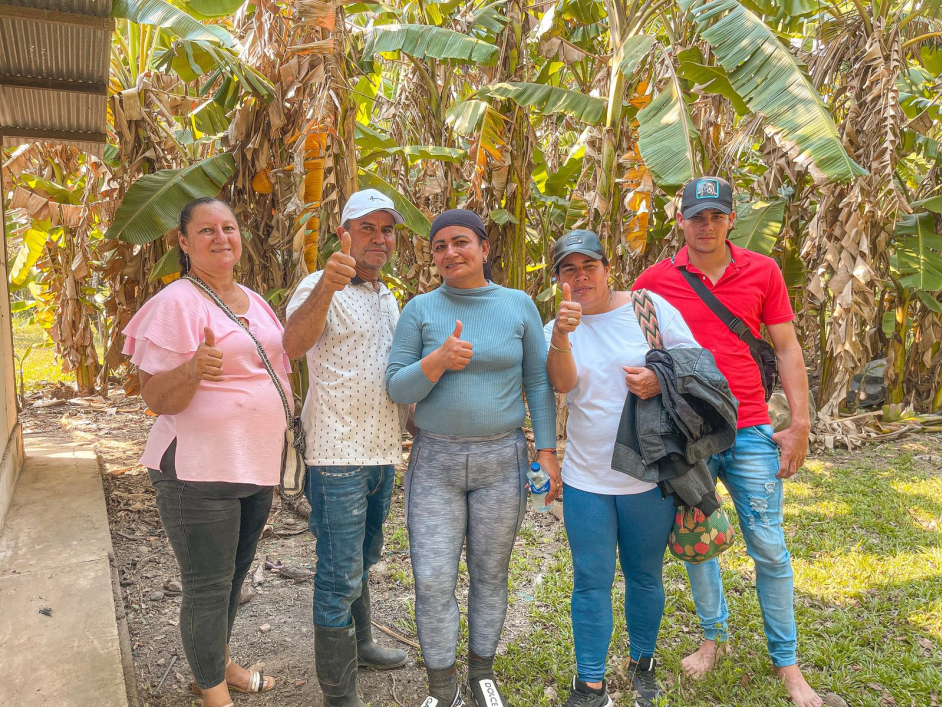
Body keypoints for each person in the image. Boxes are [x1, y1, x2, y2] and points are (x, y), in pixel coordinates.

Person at [632, 176, 820, 707]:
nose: (706, 225)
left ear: (731, 219)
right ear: (681, 221)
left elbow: (786, 348)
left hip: (752, 429)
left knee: (769, 546)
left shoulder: (763, 271)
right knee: (698, 540)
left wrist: (800, 424)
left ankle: (788, 664)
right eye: (697, 216)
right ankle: (714, 637)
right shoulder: (655, 279)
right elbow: (626, 333)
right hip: (691, 435)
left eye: (716, 216)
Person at [385, 209, 560, 707]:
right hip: (435, 462)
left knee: (490, 573)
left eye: (460, 242)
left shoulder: (518, 305)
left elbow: (537, 382)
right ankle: (442, 688)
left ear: (485, 248)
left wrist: (545, 451)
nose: (449, 253)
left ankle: (482, 673)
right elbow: (397, 386)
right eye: (439, 246)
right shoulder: (420, 309)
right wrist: (437, 361)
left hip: (501, 461)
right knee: (434, 577)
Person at [123, 198, 290, 707]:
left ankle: (213, 666)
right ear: (182, 241)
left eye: (229, 228)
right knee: (207, 584)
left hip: (253, 463)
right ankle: (212, 692)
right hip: (197, 469)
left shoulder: (254, 300)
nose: (221, 238)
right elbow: (155, 397)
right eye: (206, 230)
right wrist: (194, 368)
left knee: (234, 577)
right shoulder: (177, 301)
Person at [544, 230, 700, 707]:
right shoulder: (562, 323)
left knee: (644, 575)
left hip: (648, 473)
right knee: (590, 579)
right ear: (559, 280)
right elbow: (561, 384)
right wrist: (562, 336)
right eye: (568, 269)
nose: (581, 277)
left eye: (588, 265)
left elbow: (697, 360)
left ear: (607, 267)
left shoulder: (646, 308)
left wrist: (660, 377)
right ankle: (590, 683)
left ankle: (643, 665)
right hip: (586, 476)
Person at [283, 189, 409, 707]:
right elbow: (293, 345)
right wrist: (327, 289)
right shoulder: (316, 285)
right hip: (336, 457)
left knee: (363, 557)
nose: (378, 240)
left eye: (386, 231)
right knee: (338, 573)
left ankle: (362, 645)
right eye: (367, 229)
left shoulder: (388, 297)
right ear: (343, 235)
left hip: (383, 452)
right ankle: (338, 693)